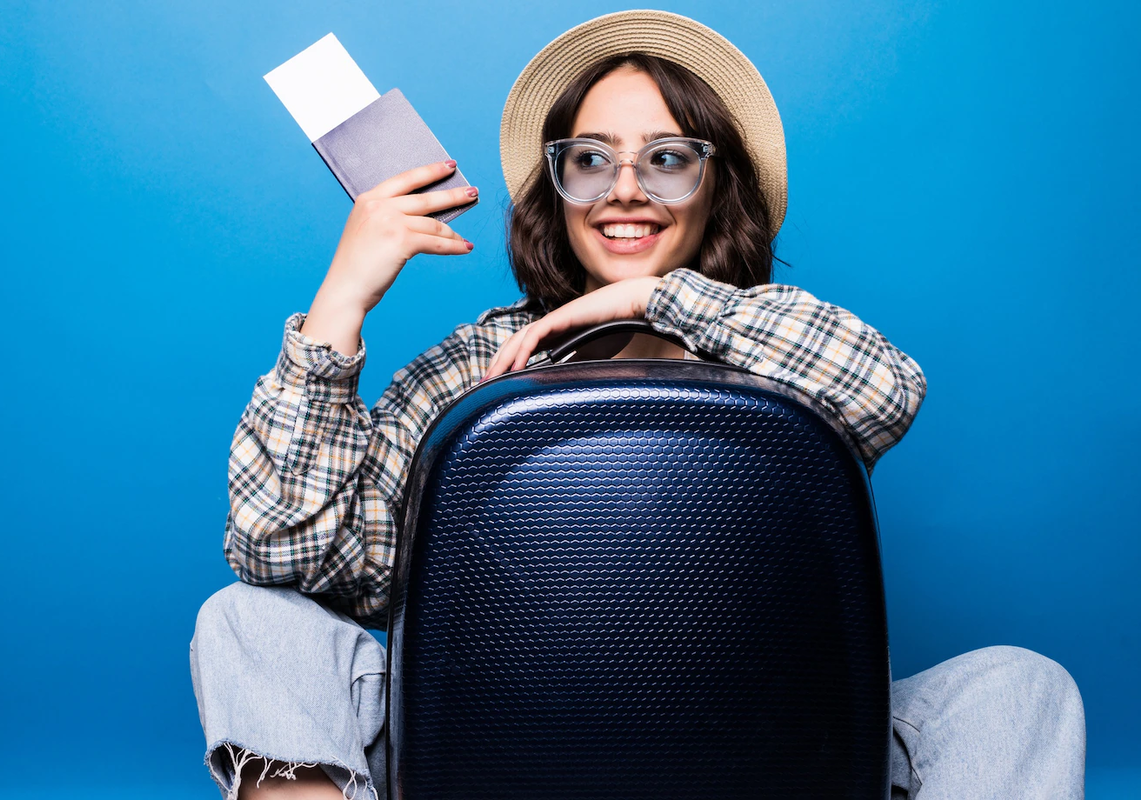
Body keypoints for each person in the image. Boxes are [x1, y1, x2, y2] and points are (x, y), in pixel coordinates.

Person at [190, 10, 1085, 800]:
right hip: (485, 749)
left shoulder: (772, 340)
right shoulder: (473, 369)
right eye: (591, 161)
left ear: (718, 184)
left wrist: (651, 297)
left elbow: (886, 388)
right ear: (558, 188)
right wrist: (341, 302)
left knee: (1020, 685)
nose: (625, 190)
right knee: (248, 618)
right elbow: (286, 554)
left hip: (772, 744)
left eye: (667, 160)